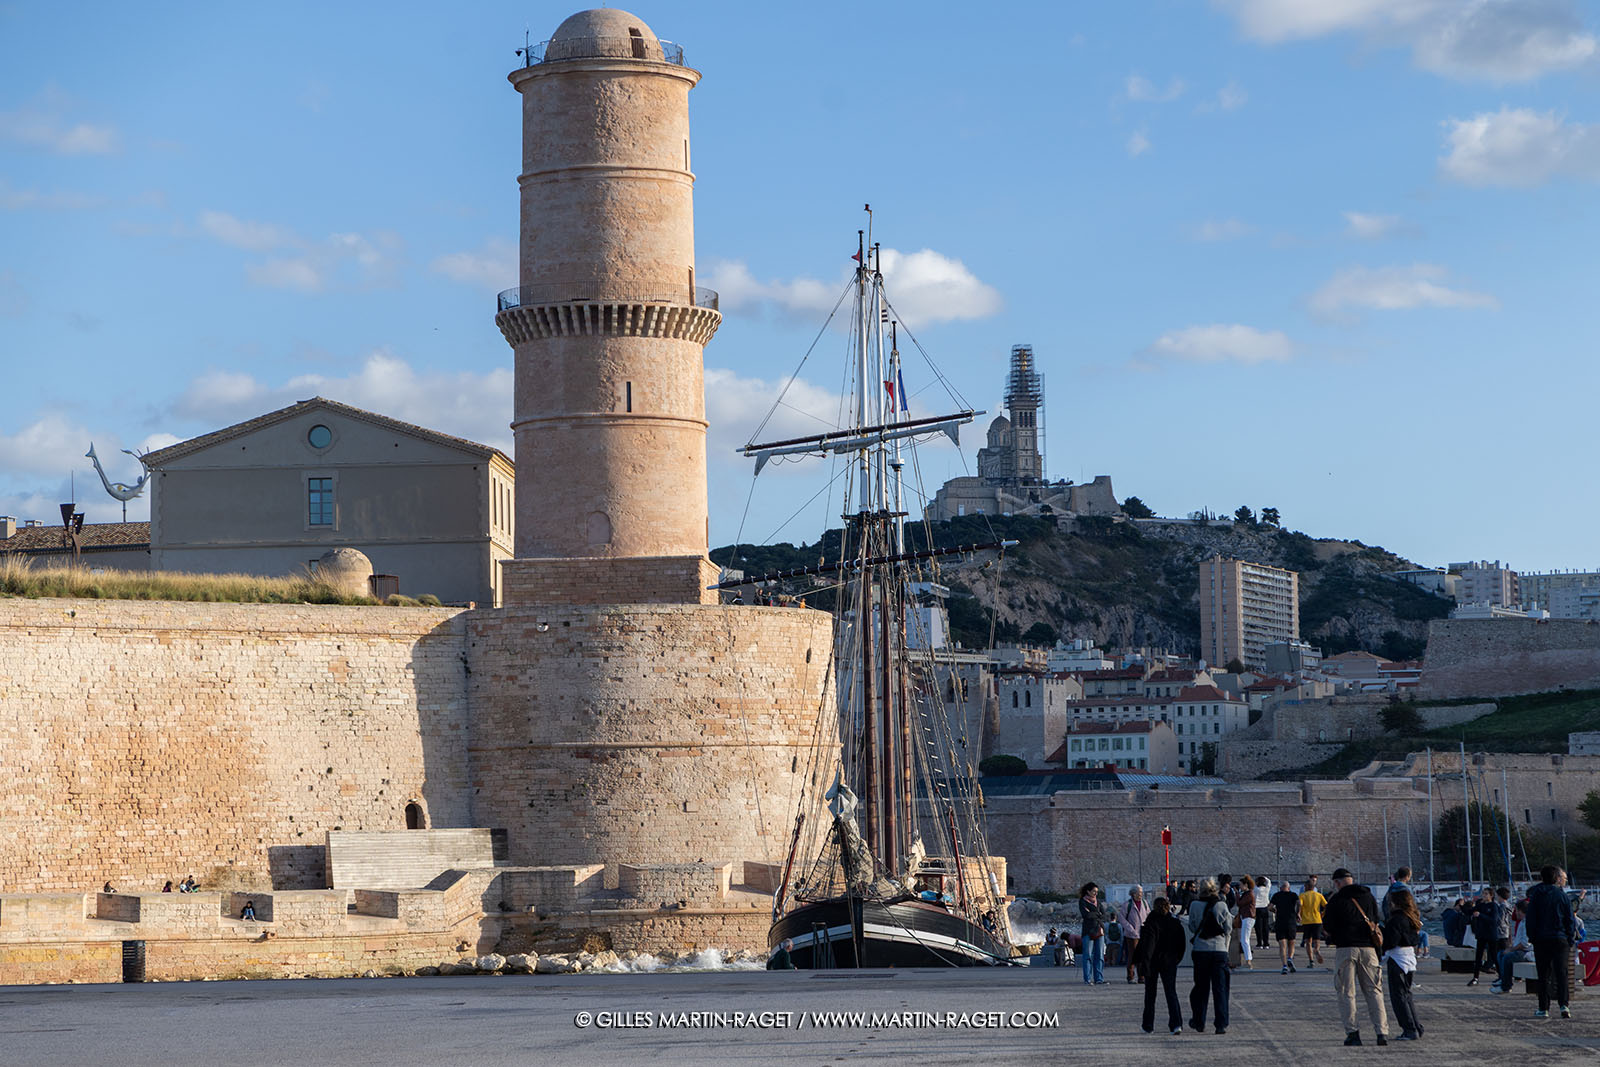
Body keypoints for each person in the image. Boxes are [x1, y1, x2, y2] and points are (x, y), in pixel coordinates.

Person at [1325, 867, 1389, 1046]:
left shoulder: (1336, 899)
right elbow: (1376, 919)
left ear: (1337, 882)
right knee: (1374, 991)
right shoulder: (1368, 896)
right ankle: (1381, 1032)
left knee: (1347, 993)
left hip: (1346, 948)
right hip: (1369, 949)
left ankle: (1353, 1034)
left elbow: (1328, 926)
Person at [1524, 865, 1576, 1020]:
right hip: (1560, 939)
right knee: (1562, 973)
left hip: (1541, 939)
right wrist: (1570, 938)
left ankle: (1543, 1007)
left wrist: (1532, 937)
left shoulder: (1536, 895)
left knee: (1543, 974)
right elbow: (1569, 919)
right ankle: (1564, 1005)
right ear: (1556, 878)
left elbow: (1531, 919)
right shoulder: (1562, 895)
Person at [1187, 878, 1232, 1034]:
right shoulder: (1221, 905)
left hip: (1200, 950)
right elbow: (1228, 929)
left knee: (1201, 987)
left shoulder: (1194, 905)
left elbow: (1192, 927)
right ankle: (1221, 1024)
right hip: (1219, 950)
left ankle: (1199, 1021)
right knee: (1220, 989)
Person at [1138, 897, 1187, 1035]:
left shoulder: (1151, 923)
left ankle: (1148, 1025)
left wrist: (1144, 964)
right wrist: (1176, 959)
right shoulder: (1175, 923)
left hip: (1153, 962)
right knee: (1171, 992)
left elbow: (1147, 946)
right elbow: (1181, 944)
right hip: (1170, 961)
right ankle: (1176, 1024)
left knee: (1150, 994)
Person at [1383, 887, 1424, 1041]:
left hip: (1397, 960)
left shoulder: (1395, 920)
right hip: (1410, 959)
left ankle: (1409, 1029)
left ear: (1396, 903)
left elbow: (1391, 942)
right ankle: (1416, 1026)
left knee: (1398, 997)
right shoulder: (1411, 918)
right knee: (1407, 996)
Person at [1493, 904, 1531, 994]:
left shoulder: (1527, 923)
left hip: (1526, 952)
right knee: (1501, 954)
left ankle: (1506, 986)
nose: (1515, 912)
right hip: (1520, 950)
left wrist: (1511, 949)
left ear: (1521, 911)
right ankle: (1503, 979)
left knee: (1507, 958)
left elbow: (1525, 943)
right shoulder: (1522, 922)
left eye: (1517, 910)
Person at [1079, 882, 1108, 985]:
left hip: (1099, 930)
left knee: (1100, 955)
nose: (1096, 893)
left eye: (1097, 892)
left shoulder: (1098, 902)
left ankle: (1099, 978)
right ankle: (1087, 979)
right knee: (1087, 956)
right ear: (1088, 891)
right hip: (1088, 931)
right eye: (1094, 891)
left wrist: (1094, 914)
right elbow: (1086, 915)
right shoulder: (1082, 901)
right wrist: (1098, 914)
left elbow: (1104, 915)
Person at [1467, 886, 1497, 984]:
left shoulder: (1493, 906)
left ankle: (1501, 976)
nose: (1483, 895)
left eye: (1486, 894)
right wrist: (1463, 906)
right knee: (1478, 956)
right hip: (1481, 934)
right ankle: (1475, 977)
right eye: (1483, 893)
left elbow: (1493, 920)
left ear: (1491, 896)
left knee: (1494, 955)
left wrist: (1481, 915)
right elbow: (1470, 911)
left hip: (1491, 934)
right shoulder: (1480, 905)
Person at [1121, 885, 1151, 984]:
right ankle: (1130, 976)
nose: (1140, 895)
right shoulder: (1127, 905)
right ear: (1133, 894)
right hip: (1132, 934)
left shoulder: (1144, 903)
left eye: (1141, 893)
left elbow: (1148, 915)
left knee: (1143, 955)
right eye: (1139, 893)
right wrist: (1131, 929)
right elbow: (1122, 919)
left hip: (1143, 933)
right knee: (1132, 955)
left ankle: (1142, 976)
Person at [1270, 880, 1300, 973]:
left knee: (1282, 945)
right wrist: (1298, 913)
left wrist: (1275, 910)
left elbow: (1269, 907)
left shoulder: (1276, 895)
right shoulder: (1293, 895)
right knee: (1291, 943)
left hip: (1280, 922)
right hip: (1291, 921)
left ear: (1281, 888)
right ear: (1289, 887)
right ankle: (1290, 958)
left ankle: (1284, 966)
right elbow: (1299, 903)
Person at [1299, 875, 1328, 968]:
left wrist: (1298, 914)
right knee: (1317, 940)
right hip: (1317, 920)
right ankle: (1316, 949)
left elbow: (1300, 905)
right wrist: (1322, 914)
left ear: (1307, 887)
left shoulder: (1302, 895)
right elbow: (1326, 906)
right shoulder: (1319, 895)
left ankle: (1311, 960)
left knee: (1308, 941)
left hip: (1307, 921)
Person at [1236, 876, 1257, 969]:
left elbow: (1240, 903)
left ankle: (1248, 960)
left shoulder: (1249, 894)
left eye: (1241, 885)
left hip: (1248, 917)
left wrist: (1236, 894)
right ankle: (1248, 959)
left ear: (1245, 885)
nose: (1240, 887)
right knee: (1245, 939)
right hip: (1247, 917)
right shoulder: (1248, 893)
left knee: (1244, 939)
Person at [1253, 874, 1272, 952]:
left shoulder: (1256, 889)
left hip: (1257, 908)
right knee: (1265, 926)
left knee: (1258, 927)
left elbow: (1253, 885)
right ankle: (1266, 943)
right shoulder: (1266, 889)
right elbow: (1269, 882)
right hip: (1265, 908)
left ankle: (1259, 943)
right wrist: (1265, 877)